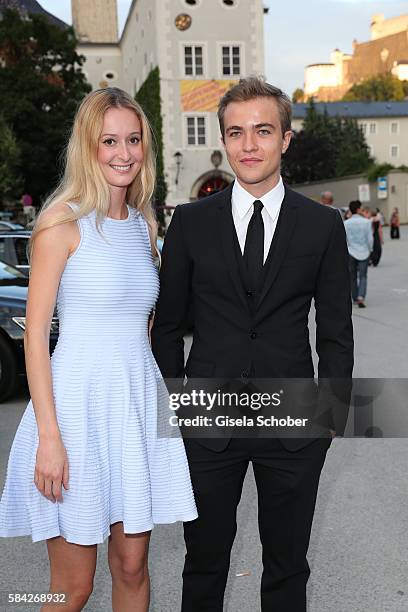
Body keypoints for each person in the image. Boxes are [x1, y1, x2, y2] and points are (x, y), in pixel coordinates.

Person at [152, 77, 353, 612]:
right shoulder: (191, 224)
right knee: (204, 563)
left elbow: (335, 329)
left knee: (288, 568)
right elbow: (168, 327)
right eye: (236, 132)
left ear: (286, 139)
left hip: (292, 423)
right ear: (224, 140)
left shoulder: (323, 225)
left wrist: (329, 415)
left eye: (263, 131)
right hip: (208, 421)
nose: (249, 145)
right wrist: (177, 408)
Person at [0, 88, 197, 611]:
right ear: (87, 146)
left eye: (133, 140)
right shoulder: (60, 226)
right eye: (108, 140)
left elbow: (144, 329)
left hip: (134, 409)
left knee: (133, 567)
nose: (123, 153)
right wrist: (49, 437)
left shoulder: (144, 226)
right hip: (75, 414)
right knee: (73, 587)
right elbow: (35, 338)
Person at [344, 200, 374, 308]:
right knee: (363, 276)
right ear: (358, 209)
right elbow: (370, 239)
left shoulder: (346, 223)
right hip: (364, 251)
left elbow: (344, 239)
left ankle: (355, 298)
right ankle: (361, 296)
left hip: (350, 251)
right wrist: (370, 250)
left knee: (352, 276)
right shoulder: (366, 222)